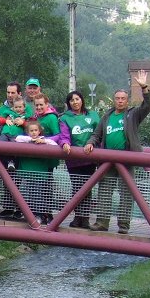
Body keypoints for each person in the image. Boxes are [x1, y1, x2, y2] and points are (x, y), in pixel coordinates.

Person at [84, 70, 150, 234]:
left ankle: (123, 226)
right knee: (105, 192)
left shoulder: (133, 114)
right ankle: (102, 223)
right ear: (114, 100)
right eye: (117, 98)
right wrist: (90, 143)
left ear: (127, 100)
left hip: (126, 161)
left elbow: (148, 106)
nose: (120, 101)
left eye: (123, 99)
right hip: (108, 161)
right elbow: (97, 134)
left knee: (127, 194)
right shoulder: (107, 116)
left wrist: (144, 88)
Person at [58, 91, 101, 229]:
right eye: (72, 100)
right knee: (77, 188)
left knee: (87, 189)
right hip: (74, 160)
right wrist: (64, 143)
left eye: (77, 99)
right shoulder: (64, 118)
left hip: (90, 159)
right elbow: (64, 135)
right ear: (68, 103)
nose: (75, 102)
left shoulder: (93, 115)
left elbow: (99, 133)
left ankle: (85, 218)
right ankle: (78, 217)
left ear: (82, 100)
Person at [15, 120, 58, 224]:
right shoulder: (25, 139)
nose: (34, 132)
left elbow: (54, 144)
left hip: (40, 175)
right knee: (25, 194)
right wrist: (31, 139)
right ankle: (28, 214)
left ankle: (39, 215)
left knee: (38, 195)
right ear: (27, 132)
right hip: (27, 174)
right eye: (31, 131)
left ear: (39, 131)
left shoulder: (45, 140)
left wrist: (44, 141)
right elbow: (17, 138)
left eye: (35, 130)